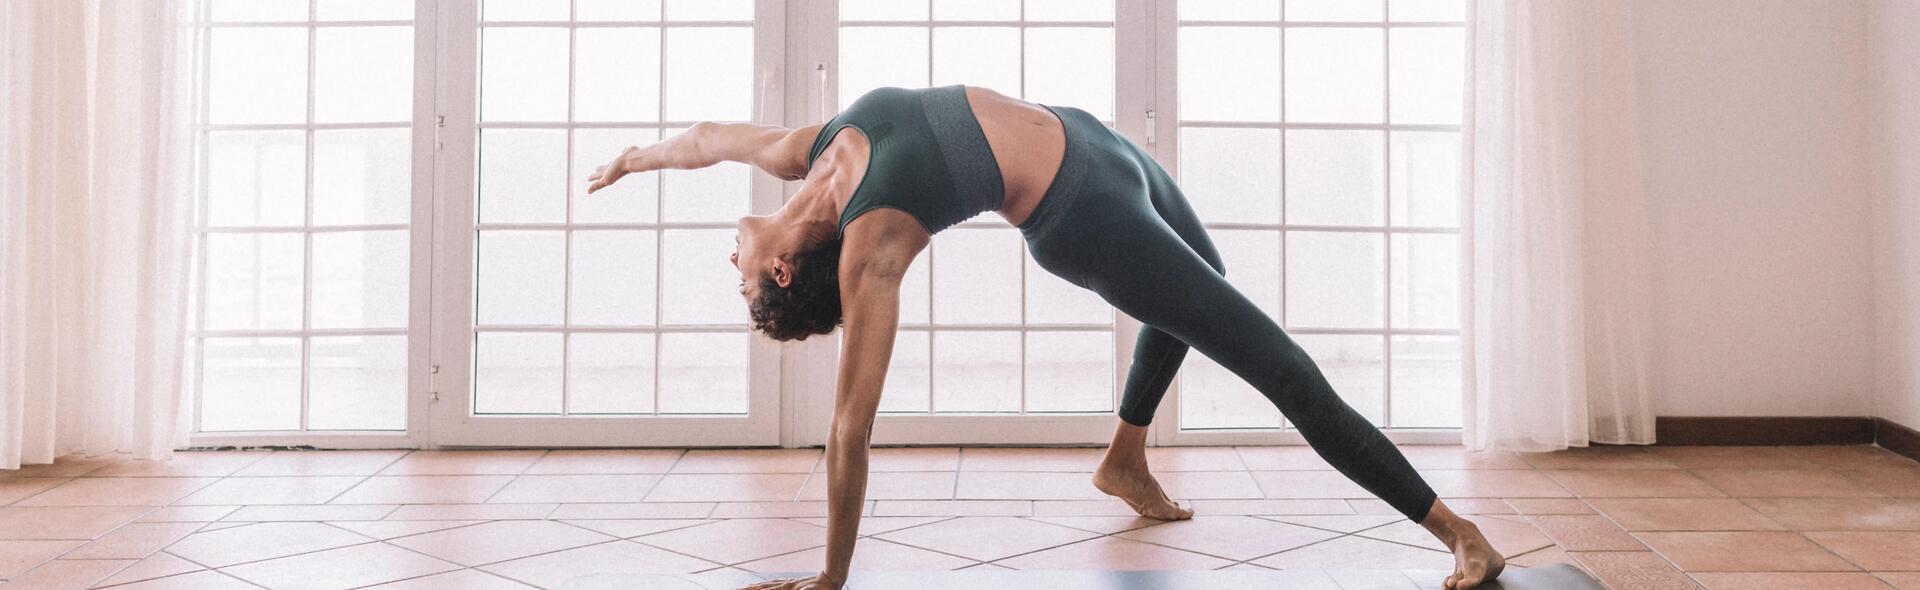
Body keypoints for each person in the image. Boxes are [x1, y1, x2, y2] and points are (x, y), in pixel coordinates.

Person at [586, 85, 1504, 590]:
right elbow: (848, 430)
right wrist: (831, 576)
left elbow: (708, 136)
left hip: (1097, 140)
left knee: (1198, 293)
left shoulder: (811, 149)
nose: (732, 257)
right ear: (783, 273)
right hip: (1082, 214)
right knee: (1282, 367)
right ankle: (1458, 534)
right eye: (736, 273)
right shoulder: (871, 244)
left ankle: (1126, 458)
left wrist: (633, 159)